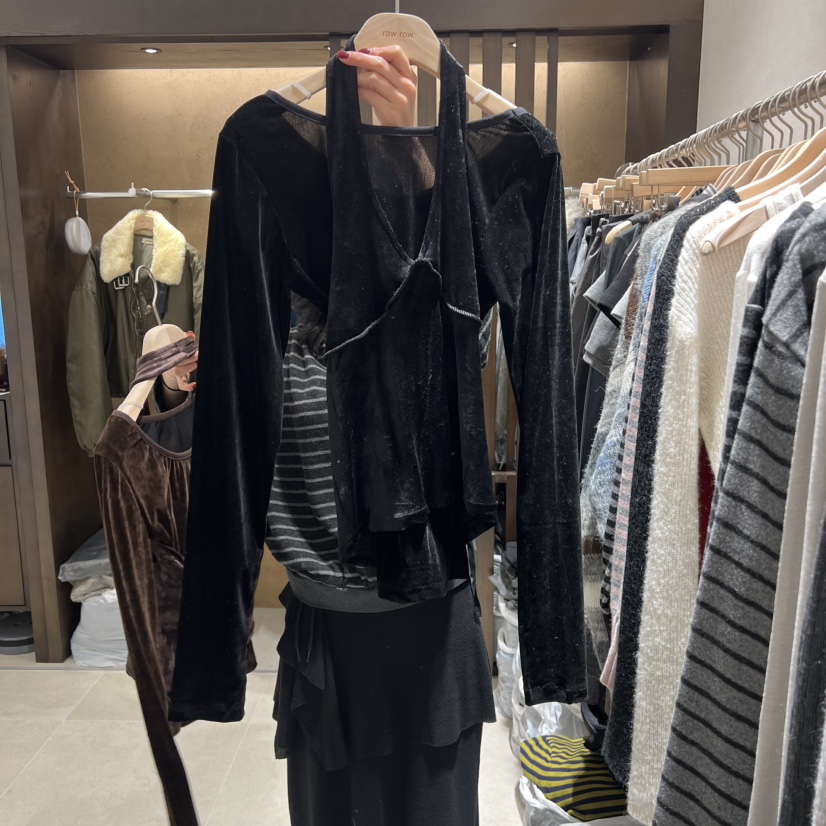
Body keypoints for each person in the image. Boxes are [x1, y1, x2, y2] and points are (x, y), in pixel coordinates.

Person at [165, 48, 495, 826]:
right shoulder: (269, 305)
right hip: (326, 644)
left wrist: (410, 158)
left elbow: (460, 350)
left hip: (434, 633)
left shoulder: (434, 296)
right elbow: (229, 453)